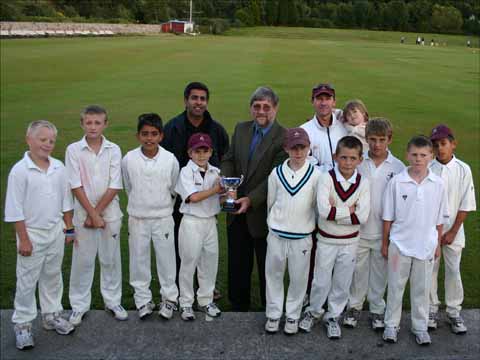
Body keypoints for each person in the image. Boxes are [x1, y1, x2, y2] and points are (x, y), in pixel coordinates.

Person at [5, 120, 75, 350]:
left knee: (53, 275)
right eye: (42, 139)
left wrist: (69, 227)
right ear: (29, 140)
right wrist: (23, 239)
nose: (47, 144)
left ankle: (51, 315)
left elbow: (65, 200)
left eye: (51, 141)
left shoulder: (58, 167)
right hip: (31, 234)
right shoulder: (20, 170)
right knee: (27, 280)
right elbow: (14, 209)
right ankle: (23, 324)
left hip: (55, 231)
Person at [221, 86, 287, 311]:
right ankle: (238, 306)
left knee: (267, 265)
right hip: (235, 209)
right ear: (251, 109)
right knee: (238, 263)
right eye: (257, 106)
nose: (261, 111)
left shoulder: (283, 137)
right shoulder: (241, 129)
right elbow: (228, 158)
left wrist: (250, 199)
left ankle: (271, 308)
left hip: (264, 213)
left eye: (266, 107)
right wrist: (229, 186)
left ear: (275, 109)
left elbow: (276, 176)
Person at [162, 82, 229, 299]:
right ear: (186, 100)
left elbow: (224, 161)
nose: (198, 102)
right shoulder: (172, 127)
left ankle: (205, 288)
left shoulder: (217, 129)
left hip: (208, 202)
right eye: (194, 98)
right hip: (179, 198)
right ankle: (183, 289)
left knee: (206, 250)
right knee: (183, 247)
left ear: (206, 102)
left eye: (202, 98)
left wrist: (224, 191)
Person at [299, 136, 370, 339]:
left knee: (342, 281)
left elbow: (362, 217)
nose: (348, 163)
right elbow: (323, 211)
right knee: (320, 280)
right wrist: (349, 210)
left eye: (352, 158)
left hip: (350, 241)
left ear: (360, 160)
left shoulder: (363, 183)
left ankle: (333, 316)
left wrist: (336, 211)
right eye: (344, 157)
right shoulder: (326, 178)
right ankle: (313, 311)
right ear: (335, 157)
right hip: (326, 239)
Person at [382, 135, 449, 345]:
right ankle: (391, 325)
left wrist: (437, 244)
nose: (418, 159)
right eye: (414, 155)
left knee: (422, 289)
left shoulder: (438, 184)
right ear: (407, 155)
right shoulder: (397, 182)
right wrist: (385, 243)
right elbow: (387, 217)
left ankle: (420, 327)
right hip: (399, 245)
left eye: (423, 155)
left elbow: (439, 219)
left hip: (426, 246)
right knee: (395, 287)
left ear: (431, 156)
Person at [66, 105, 127, 326]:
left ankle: (112, 301)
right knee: (83, 260)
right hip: (84, 215)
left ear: (105, 124)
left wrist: (98, 213)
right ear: (82, 124)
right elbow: (75, 184)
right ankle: (79, 306)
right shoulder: (73, 149)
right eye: (88, 122)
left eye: (97, 122)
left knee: (110, 258)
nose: (93, 127)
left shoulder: (114, 149)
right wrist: (91, 214)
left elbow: (115, 185)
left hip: (109, 214)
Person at [343, 118, 405, 330]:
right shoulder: (359, 163)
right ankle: (355, 305)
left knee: (380, 273)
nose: (377, 144)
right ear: (366, 139)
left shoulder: (398, 167)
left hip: (384, 233)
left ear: (389, 139)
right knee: (358, 271)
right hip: (358, 230)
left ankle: (377, 309)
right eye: (372, 140)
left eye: (381, 140)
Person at [122, 113, 179, 320]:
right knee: (138, 260)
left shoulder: (170, 159)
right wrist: (140, 206)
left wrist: (163, 208)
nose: (149, 138)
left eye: (154, 134)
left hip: (163, 217)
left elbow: (173, 188)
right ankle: (143, 300)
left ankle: (169, 299)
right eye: (145, 134)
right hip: (137, 217)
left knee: (166, 260)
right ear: (138, 136)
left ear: (161, 136)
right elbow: (129, 187)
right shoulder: (129, 159)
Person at [264, 128, 320, 335]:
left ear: (308, 148)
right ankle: (273, 313)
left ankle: (293, 316)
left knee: (298, 278)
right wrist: (274, 224)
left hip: (302, 237)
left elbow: (316, 206)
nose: (298, 152)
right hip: (277, 234)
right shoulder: (276, 173)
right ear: (286, 148)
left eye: (302, 147)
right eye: (293, 148)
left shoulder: (316, 174)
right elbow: (271, 202)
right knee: (274, 275)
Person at [428, 125, 476, 334]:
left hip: (454, 231)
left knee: (453, 270)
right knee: (430, 270)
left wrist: (453, 231)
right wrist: (435, 233)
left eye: (444, 144)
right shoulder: (427, 167)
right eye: (436, 145)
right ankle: (430, 310)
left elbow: (466, 203)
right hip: (430, 231)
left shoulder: (463, 169)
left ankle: (454, 311)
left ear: (453, 144)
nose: (440, 149)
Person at [175, 133, 223, 320]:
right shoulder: (185, 172)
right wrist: (216, 190)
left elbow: (221, 197)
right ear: (190, 152)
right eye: (197, 151)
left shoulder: (216, 172)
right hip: (191, 221)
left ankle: (205, 300)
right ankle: (186, 303)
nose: (201, 155)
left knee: (209, 263)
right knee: (189, 262)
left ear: (211, 152)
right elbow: (193, 198)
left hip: (210, 221)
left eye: (205, 151)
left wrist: (228, 194)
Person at [301, 83, 347, 172]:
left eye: (328, 99)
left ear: (334, 102)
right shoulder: (304, 131)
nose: (323, 103)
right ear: (312, 101)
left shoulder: (345, 127)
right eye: (319, 99)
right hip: (317, 183)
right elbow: (304, 162)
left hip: (343, 183)